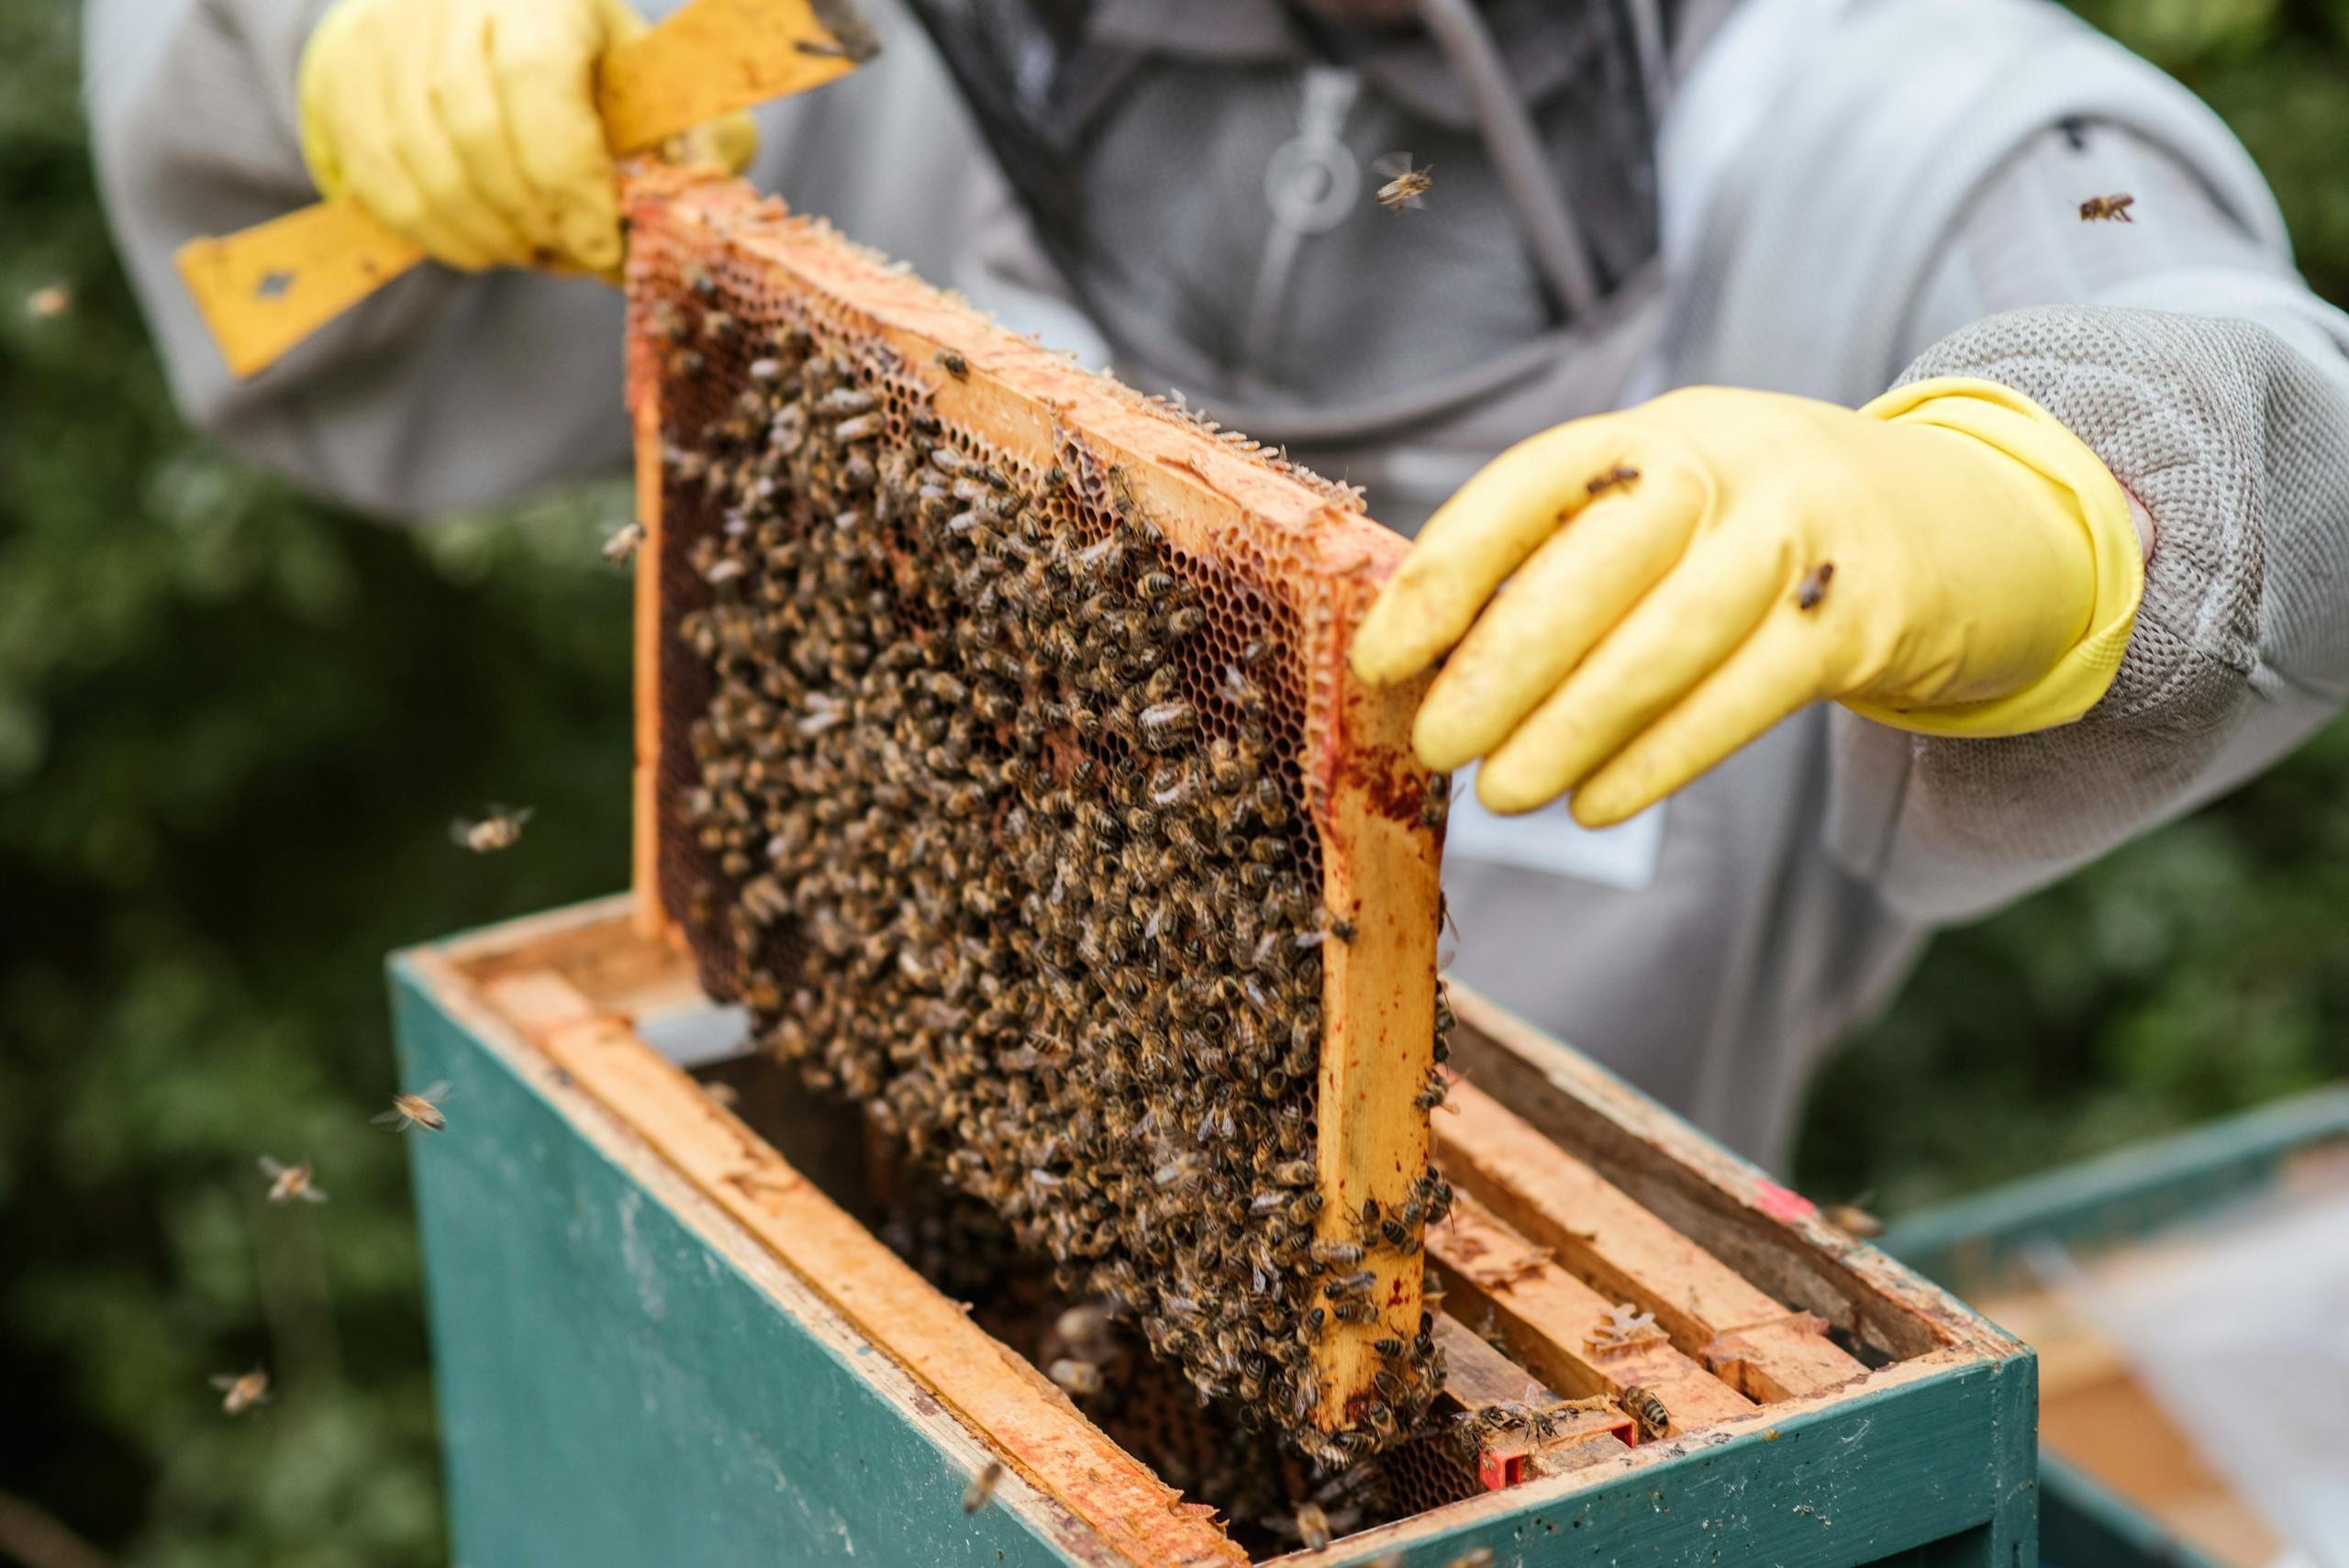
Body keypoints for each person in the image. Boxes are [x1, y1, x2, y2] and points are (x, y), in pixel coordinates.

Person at [86, 0, 2349, 1168]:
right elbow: (289, 296)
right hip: (847, 1219)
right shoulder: (856, 37)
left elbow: (2257, 403)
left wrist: (2025, 512)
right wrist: (332, 53)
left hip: (1516, 1452)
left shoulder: (1896, 107)